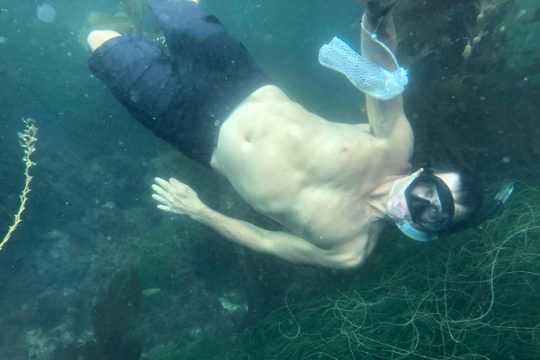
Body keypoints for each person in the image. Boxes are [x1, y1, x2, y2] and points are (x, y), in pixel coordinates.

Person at [86, 0, 511, 269]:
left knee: (97, 39)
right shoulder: (393, 146)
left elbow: (267, 241)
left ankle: (133, 33)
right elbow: (381, 79)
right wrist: (375, 19)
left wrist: (200, 211)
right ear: (425, 172)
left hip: (193, 132)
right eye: (430, 190)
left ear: (429, 232)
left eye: (433, 212)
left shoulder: (348, 252)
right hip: (237, 81)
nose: (417, 202)